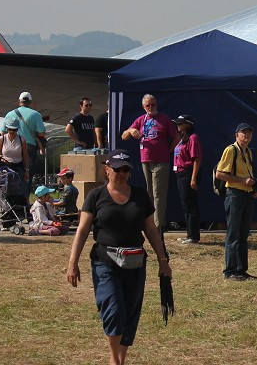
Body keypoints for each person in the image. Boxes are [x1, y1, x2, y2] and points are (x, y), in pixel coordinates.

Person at [66, 150, 172, 365]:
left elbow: (151, 230)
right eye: (117, 169)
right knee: (113, 308)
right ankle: (114, 359)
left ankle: (121, 358)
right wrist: (72, 262)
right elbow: (83, 230)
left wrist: (163, 261)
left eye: (126, 169)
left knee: (130, 312)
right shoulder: (96, 196)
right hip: (105, 261)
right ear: (107, 169)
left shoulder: (141, 196)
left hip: (135, 262)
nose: (122, 173)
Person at [121, 94, 179, 233]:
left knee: (159, 192)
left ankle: (159, 224)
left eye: (153, 105)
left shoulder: (164, 118)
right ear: (143, 107)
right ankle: (149, 221)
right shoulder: (141, 119)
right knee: (149, 192)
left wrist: (169, 150)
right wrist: (131, 131)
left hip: (161, 160)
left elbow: (176, 136)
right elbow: (124, 136)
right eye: (148, 106)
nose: (151, 108)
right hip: (145, 159)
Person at [216, 123, 257, 281]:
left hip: (246, 195)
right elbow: (220, 174)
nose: (247, 135)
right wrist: (242, 181)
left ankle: (241, 270)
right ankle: (230, 270)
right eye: (243, 132)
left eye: (249, 132)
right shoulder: (231, 150)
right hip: (234, 195)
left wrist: (253, 189)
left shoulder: (248, 152)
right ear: (236, 135)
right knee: (233, 234)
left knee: (243, 234)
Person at [170, 116, 203, 244]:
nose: (178, 125)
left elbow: (197, 159)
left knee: (190, 204)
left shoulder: (193, 138)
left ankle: (194, 236)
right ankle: (189, 234)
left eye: (180, 123)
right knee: (185, 205)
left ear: (188, 125)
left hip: (188, 173)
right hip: (180, 173)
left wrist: (193, 178)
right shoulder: (182, 139)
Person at [1, 91, 46, 177]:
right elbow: (41, 133)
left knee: (10, 175)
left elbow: (3, 133)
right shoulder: (36, 115)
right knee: (27, 175)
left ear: (19, 101)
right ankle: (25, 189)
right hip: (29, 147)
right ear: (30, 102)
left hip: (11, 147)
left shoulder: (9, 114)